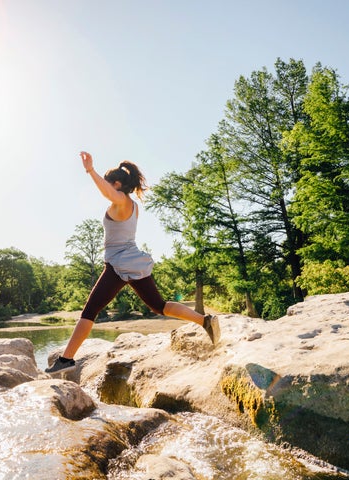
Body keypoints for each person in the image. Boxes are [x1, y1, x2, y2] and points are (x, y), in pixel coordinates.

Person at [45, 151, 220, 375]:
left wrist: (90, 171)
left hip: (118, 264)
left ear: (117, 184)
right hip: (132, 262)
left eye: (110, 185)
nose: (106, 190)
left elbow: (109, 193)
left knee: (90, 310)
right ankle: (205, 321)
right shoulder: (132, 204)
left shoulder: (122, 201)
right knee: (158, 305)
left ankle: (66, 358)